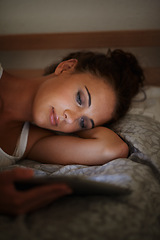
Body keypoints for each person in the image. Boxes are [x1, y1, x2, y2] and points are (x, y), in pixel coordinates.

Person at [0, 49, 144, 214]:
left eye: (83, 122)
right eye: (79, 99)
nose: (70, 119)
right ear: (65, 68)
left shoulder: (30, 143)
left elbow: (112, 148)